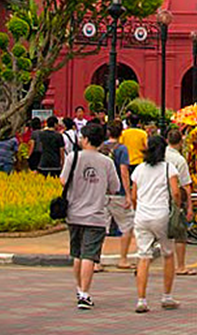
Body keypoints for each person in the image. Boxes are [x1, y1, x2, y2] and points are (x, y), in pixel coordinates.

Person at [61, 120, 119, 310]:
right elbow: (115, 187)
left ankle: (79, 289)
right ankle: (85, 295)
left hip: (74, 213)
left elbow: (63, 181)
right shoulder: (107, 162)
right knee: (89, 255)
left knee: (78, 254)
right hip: (96, 215)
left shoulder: (73, 158)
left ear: (85, 139)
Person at [130, 134, 181, 313]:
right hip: (161, 216)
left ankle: (141, 300)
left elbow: (134, 195)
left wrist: (138, 208)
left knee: (143, 257)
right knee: (168, 254)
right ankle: (166, 296)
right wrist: (179, 206)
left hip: (142, 216)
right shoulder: (169, 168)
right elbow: (175, 193)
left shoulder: (139, 169)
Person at [165, 127, 197, 276]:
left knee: (153, 233)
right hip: (174, 198)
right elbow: (186, 185)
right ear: (180, 142)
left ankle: (141, 264)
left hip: (157, 197)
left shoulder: (159, 156)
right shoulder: (179, 160)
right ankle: (181, 266)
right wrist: (189, 206)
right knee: (180, 233)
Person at [104, 122, 136, 271]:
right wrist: (128, 193)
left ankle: (95, 261)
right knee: (127, 226)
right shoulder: (122, 149)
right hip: (118, 193)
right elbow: (124, 171)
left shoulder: (101, 147)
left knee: (100, 228)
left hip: (102, 192)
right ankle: (123, 258)